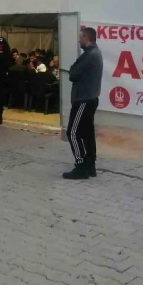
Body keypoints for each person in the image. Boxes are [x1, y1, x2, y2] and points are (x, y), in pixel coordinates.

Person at [63, 27, 103, 180]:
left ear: (86, 38)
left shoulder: (89, 55)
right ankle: (90, 165)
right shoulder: (95, 53)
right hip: (90, 99)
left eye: (80, 38)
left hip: (83, 100)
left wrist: (73, 68)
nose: (79, 40)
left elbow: (73, 74)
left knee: (72, 132)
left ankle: (80, 167)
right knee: (87, 133)